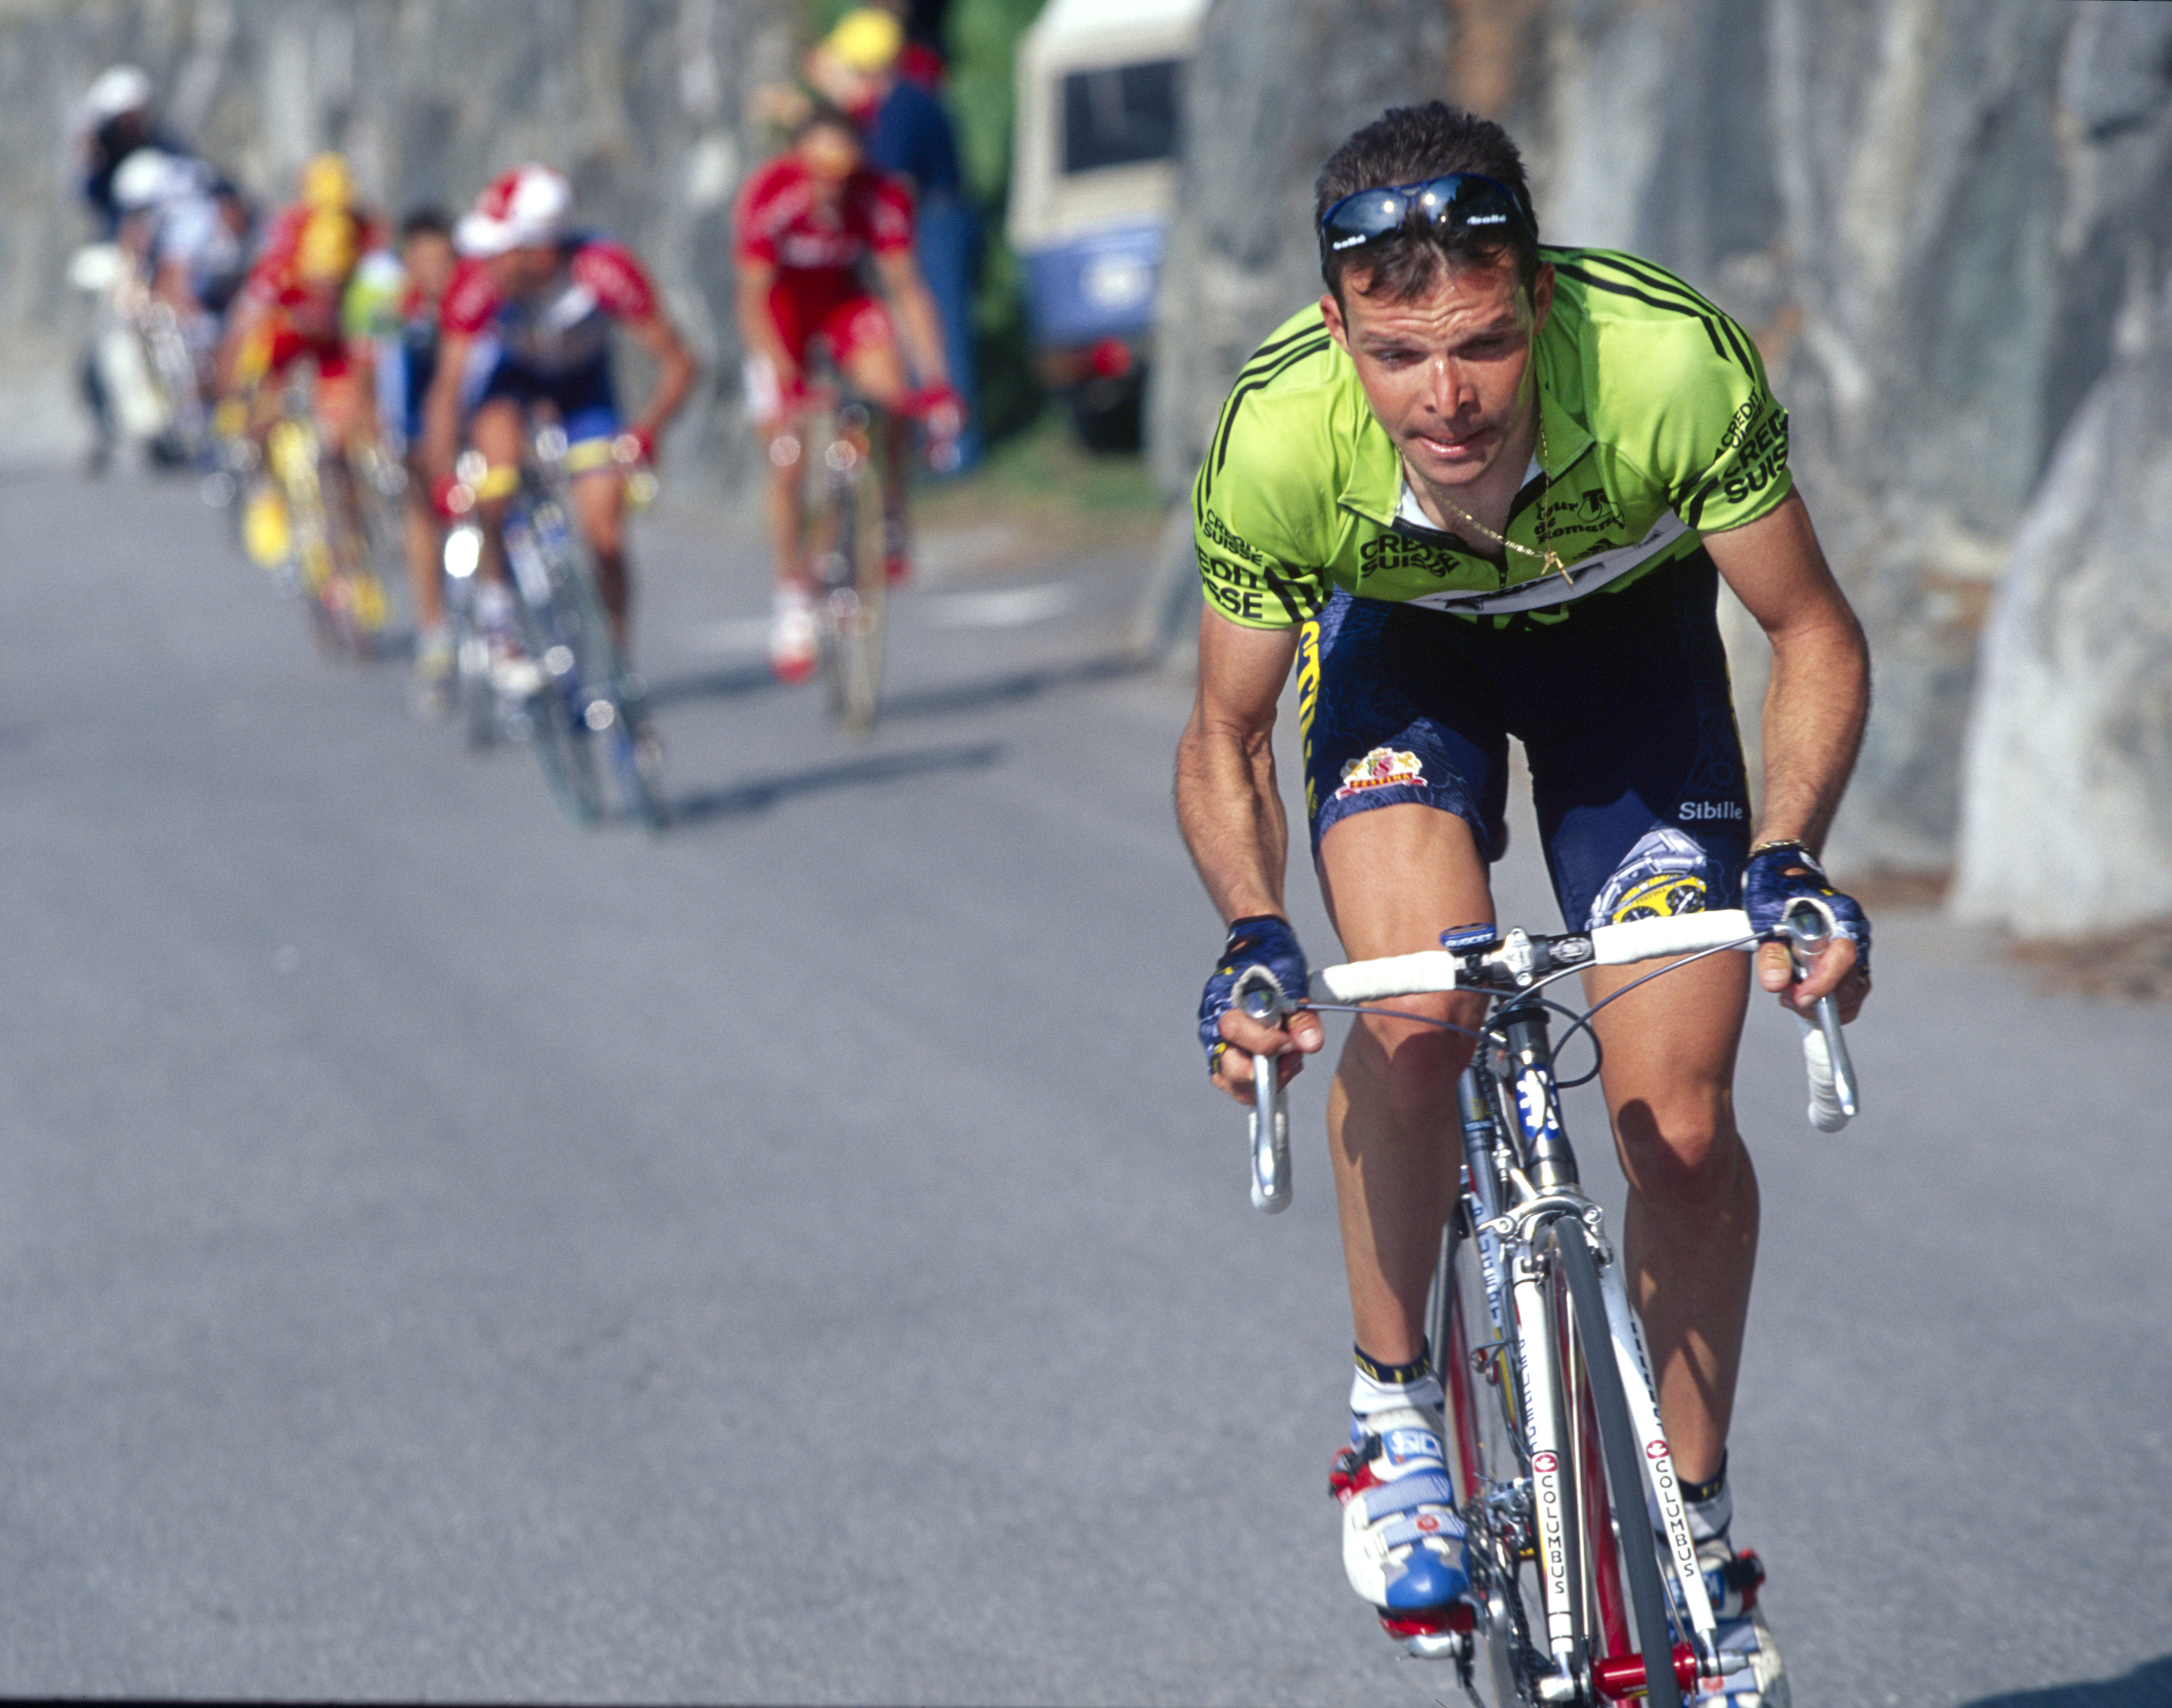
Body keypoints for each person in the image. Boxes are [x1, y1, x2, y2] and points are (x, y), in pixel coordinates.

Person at [1178, 102, 1872, 1704]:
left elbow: (1811, 635)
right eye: (1398, 354)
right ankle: (1390, 1419)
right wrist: (1249, 934)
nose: (1447, 399)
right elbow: (1218, 736)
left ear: (1538, 297)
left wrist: (1785, 859)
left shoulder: (1663, 365)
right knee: (1413, 1008)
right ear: (1338, 324)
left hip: (1625, 661)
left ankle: (1689, 1525)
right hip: (1400, 666)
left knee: (1676, 1126)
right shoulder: (1281, 432)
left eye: (1482, 344)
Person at [419, 165, 696, 669]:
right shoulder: (477, 282)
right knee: (497, 468)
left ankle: (616, 666)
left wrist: (647, 431)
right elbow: (448, 390)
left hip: (584, 389)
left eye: (499, 249)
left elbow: (679, 361)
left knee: (606, 533)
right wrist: (442, 478)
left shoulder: (604, 268)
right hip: (512, 385)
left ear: (540, 247)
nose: (485, 261)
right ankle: (497, 605)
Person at [733, 103, 962, 682]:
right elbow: (752, 300)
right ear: (800, 163)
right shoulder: (770, 195)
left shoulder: (880, 197)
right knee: (785, 458)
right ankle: (791, 595)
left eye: (843, 178)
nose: (832, 192)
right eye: (820, 177)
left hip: (841, 303)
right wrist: (786, 381)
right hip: (782, 314)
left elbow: (906, 289)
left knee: (889, 395)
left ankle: (888, 516)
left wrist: (935, 383)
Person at [811, 6, 982, 472]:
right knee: (928, 326)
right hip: (933, 216)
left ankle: (952, 451)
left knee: (937, 329)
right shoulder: (905, 96)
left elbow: (893, 182)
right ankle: (937, 445)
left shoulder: (898, 106)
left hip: (932, 221)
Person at [215, 155, 384, 541]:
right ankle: (263, 490)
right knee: (260, 411)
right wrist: (234, 391)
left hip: (338, 341)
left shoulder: (369, 233)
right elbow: (247, 321)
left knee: (344, 438)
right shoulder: (286, 238)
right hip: (286, 336)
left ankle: (353, 533)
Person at [358, 208, 461, 711]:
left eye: (443, 258)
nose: (434, 270)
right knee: (421, 510)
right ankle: (435, 637)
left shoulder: (477, 298)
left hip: (471, 409)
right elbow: (387, 382)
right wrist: (395, 442)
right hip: (418, 416)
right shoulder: (398, 310)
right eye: (422, 260)